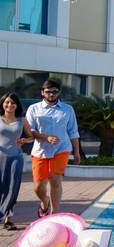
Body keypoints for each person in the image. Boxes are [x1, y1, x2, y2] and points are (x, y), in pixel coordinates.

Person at [25, 80, 81, 216]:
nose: (51, 94)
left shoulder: (68, 109)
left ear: (59, 92)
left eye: (54, 91)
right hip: (40, 151)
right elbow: (30, 131)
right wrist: (46, 138)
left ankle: (54, 214)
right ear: (42, 92)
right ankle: (45, 202)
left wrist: (77, 152)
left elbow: (73, 131)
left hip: (62, 149)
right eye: (48, 91)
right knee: (38, 187)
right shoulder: (33, 108)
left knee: (55, 179)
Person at [0, 93, 34, 230]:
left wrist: (25, 140)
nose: (9, 105)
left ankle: (9, 219)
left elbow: (31, 137)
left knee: (12, 188)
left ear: (17, 105)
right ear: (2, 104)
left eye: (13, 103)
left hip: (15, 158)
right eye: (7, 102)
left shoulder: (22, 120)